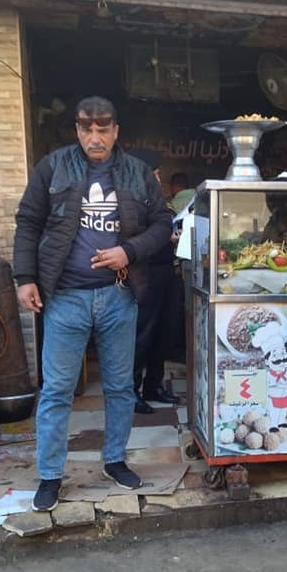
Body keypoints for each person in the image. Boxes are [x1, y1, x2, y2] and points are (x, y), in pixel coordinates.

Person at [13, 97, 172, 512]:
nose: (95, 137)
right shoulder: (52, 167)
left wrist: (128, 251)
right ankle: (50, 475)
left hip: (119, 295)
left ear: (116, 131)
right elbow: (28, 221)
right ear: (78, 131)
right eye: (87, 129)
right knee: (57, 390)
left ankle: (114, 460)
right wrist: (25, 277)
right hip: (65, 297)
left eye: (103, 129)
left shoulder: (137, 173)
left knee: (120, 387)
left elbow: (162, 224)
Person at [127, 146, 180, 415]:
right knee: (142, 334)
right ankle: (131, 392)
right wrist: (163, 235)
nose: (159, 178)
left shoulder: (159, 200)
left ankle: (153, 386)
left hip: (167, 271)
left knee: (164, 332)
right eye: (155, 173)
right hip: (145, 274)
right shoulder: (132, 200)